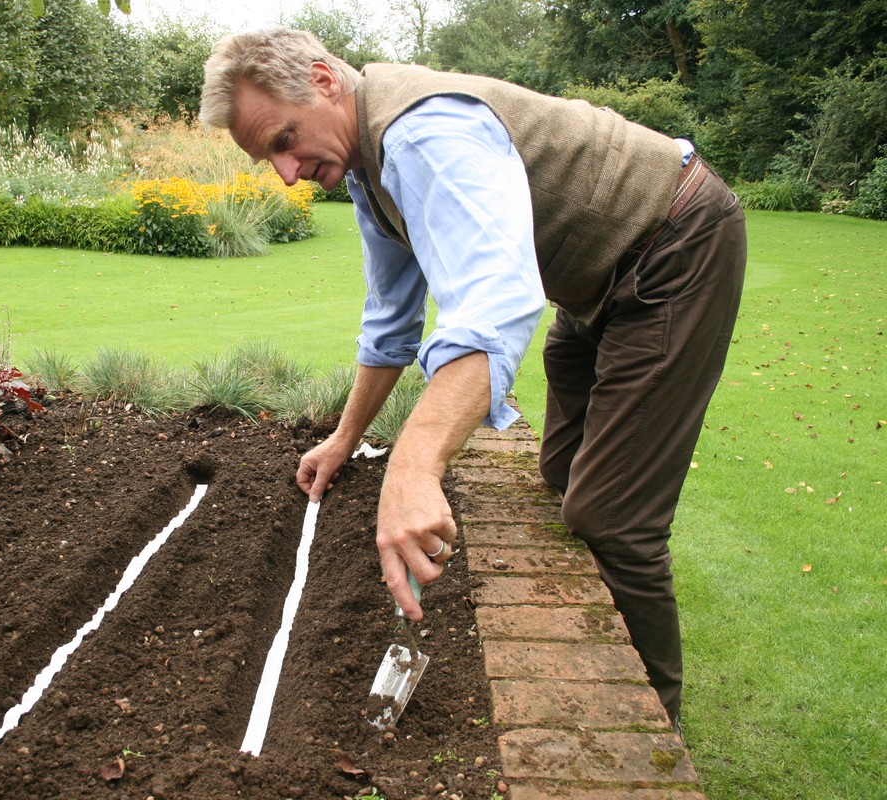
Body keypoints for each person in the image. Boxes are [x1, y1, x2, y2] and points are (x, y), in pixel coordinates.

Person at [199, 29, 746, 729]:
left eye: (283, 140)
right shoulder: (368, 167)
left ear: (324, 82)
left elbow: (494, 305)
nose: (284, 173)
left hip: (672, 246)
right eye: (268, 158)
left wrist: (414, 466)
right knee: (563, 474)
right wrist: (344, 439)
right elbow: (389, 325)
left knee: (610, 516)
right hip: (591, 281)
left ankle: (654, 725)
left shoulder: (423, 134)